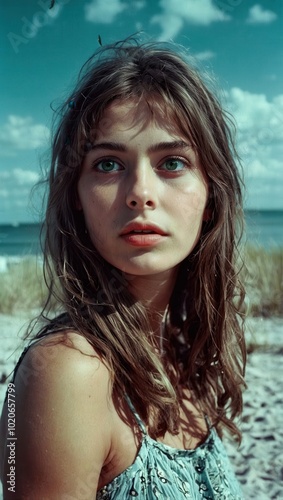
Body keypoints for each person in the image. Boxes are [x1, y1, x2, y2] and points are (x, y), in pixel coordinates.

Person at [0, 37, 246, 499]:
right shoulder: (67, 373)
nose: (140, 192)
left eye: (172, 162)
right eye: (109, 164)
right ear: (76, 195)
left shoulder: (181, 352)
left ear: (211, 195)